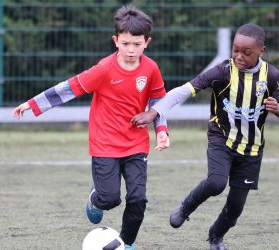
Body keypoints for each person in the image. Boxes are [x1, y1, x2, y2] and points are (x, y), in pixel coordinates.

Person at [13, 5, 170, 250]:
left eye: (137, 44)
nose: (131, 50)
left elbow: (159, 102)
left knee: (138, 198)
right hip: (105, 142)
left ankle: (127, 244)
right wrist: (33, 105)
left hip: (136, 143)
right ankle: (95, 199)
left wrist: (161, 131)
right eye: (126, 43)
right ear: (116, 41)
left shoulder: (151, 68)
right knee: (109, 199)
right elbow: (69, 88)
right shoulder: (104, 69)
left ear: (147, 43)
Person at [131, 23, 279, 250]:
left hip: (252, 148)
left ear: (261, 51)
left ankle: (216, 236)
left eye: (246, 53)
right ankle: (186, 206)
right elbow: (184, 90)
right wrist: (154, 112)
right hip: (221, 138)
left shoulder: (272, 76)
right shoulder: (223, 71)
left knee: (236, 207)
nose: (239, 56)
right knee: (217, 183)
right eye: (235, 50)